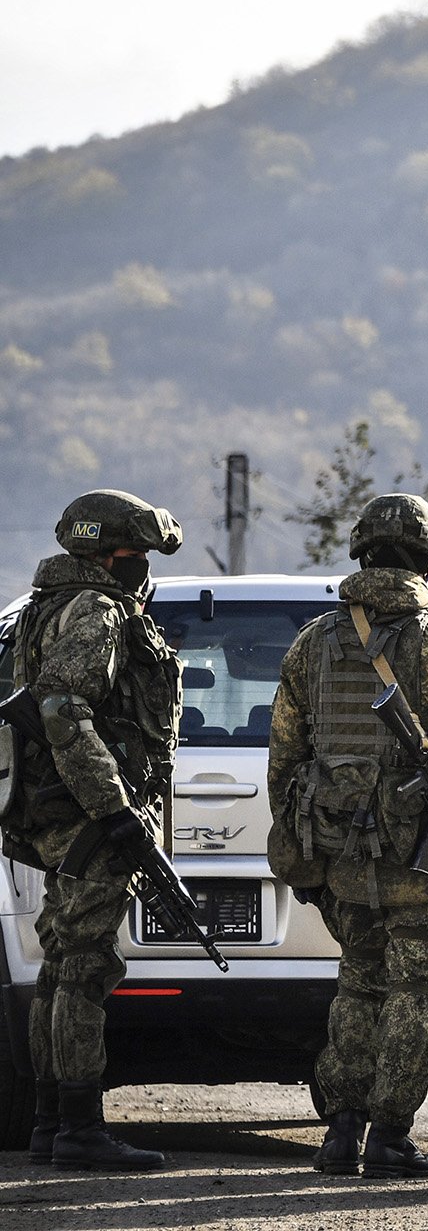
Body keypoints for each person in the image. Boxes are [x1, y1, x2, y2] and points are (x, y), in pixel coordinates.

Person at [267, 494, 428, 1180]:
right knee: (414, 985)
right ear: (427, 557)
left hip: (339, 849)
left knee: (357, 983)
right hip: (419, 850)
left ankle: (340, 1132)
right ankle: (390, 1133)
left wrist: (306, 850)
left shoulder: (313, 642)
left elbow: (284, 758)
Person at [3, 489, 182, 1171]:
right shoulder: (97, 611)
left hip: (56, 811)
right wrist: (114, 809)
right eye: (133, 556)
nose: (141, 568)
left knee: (61, 963)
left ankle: (53, 1121)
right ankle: (80, 1128)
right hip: (86, 815)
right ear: (106, 556)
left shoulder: (47, 604)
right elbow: (64, 707)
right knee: (83, 968)